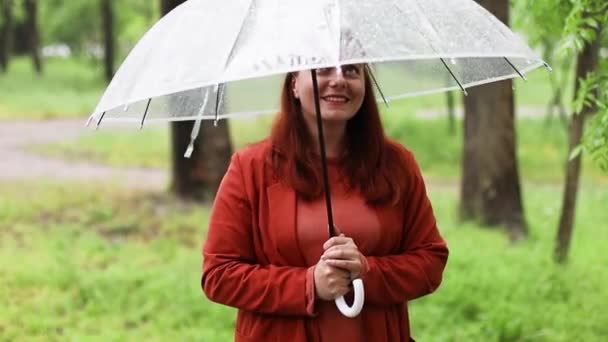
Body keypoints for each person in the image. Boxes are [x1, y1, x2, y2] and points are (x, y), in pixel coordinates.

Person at [201, 64, 448, 342]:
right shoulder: (251, 167)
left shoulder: (397, 164)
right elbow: (219, 275)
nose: (339, 80)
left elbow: (430, 261)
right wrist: (308, 285)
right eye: (323, 70)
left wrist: (367, 271)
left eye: (352, 70)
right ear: (294, 83)